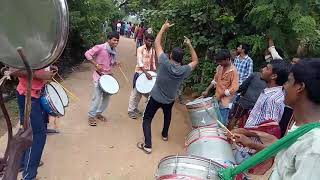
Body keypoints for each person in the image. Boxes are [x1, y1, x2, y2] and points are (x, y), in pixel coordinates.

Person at [137, 20, 199, 154]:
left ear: (170, 55)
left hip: (155, 97)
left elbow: (157, 43)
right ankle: (165, 134)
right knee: (167, 115)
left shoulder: (164, 62)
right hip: (170, 99)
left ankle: (148, 145)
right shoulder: (184, 70)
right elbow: (195, 61)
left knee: (147, 119)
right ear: (182, 59)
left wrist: (163, 28)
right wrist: (189, 45)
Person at [230, 60, 289, 166]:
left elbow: (269, 131)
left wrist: (244, 132)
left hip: (253, 153)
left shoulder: (273, 99)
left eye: (267, 68)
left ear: (273, 76)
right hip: (248, 148)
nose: (263, 69)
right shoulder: (268, 93)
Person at [10, 66, 57, 180]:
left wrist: (49, 68)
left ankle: (22, 163)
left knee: (30, 131)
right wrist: (38, 75)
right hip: (29, 96)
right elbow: (13, 70)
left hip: (38, 94)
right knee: (36, 137)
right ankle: (28, 176)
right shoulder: (25, 48)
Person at [85, 31, 120, 126]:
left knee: (106, 98)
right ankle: (91, 116)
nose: (116, 42)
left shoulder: (113, 51)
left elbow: (110, 63)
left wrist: (115, 63)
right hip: (98, 76)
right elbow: (87, 54)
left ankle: (98, 113)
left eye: (117, 40)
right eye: (114, 40)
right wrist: (96, 64)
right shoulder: (100, 47)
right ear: (108, 40)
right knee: (97, 97)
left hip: (108, 77)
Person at [202, 49, 239, 125]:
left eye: (221, 61)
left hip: (226, 102)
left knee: (222, 122)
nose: (219, 63)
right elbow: (215, 80)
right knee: (214, 120)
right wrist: (207, 90)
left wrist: (221, 95)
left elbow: (234, 88)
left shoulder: (233, 71)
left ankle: (222, 136)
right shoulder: (220, 67)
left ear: (227, 59)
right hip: (217, 98)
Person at [128, 34, 156, 119]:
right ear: (145, 40)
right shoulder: (140, 49)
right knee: (136, 93)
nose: (150, 42)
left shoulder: (153, 51)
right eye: (148, 40)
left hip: (148, 74)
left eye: (151, 41)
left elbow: (153, 63)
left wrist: (153, 73)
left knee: (146, 93)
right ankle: (131, 110)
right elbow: (140, 63)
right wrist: (146, 73)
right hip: (140, 73)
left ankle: (135, 108)